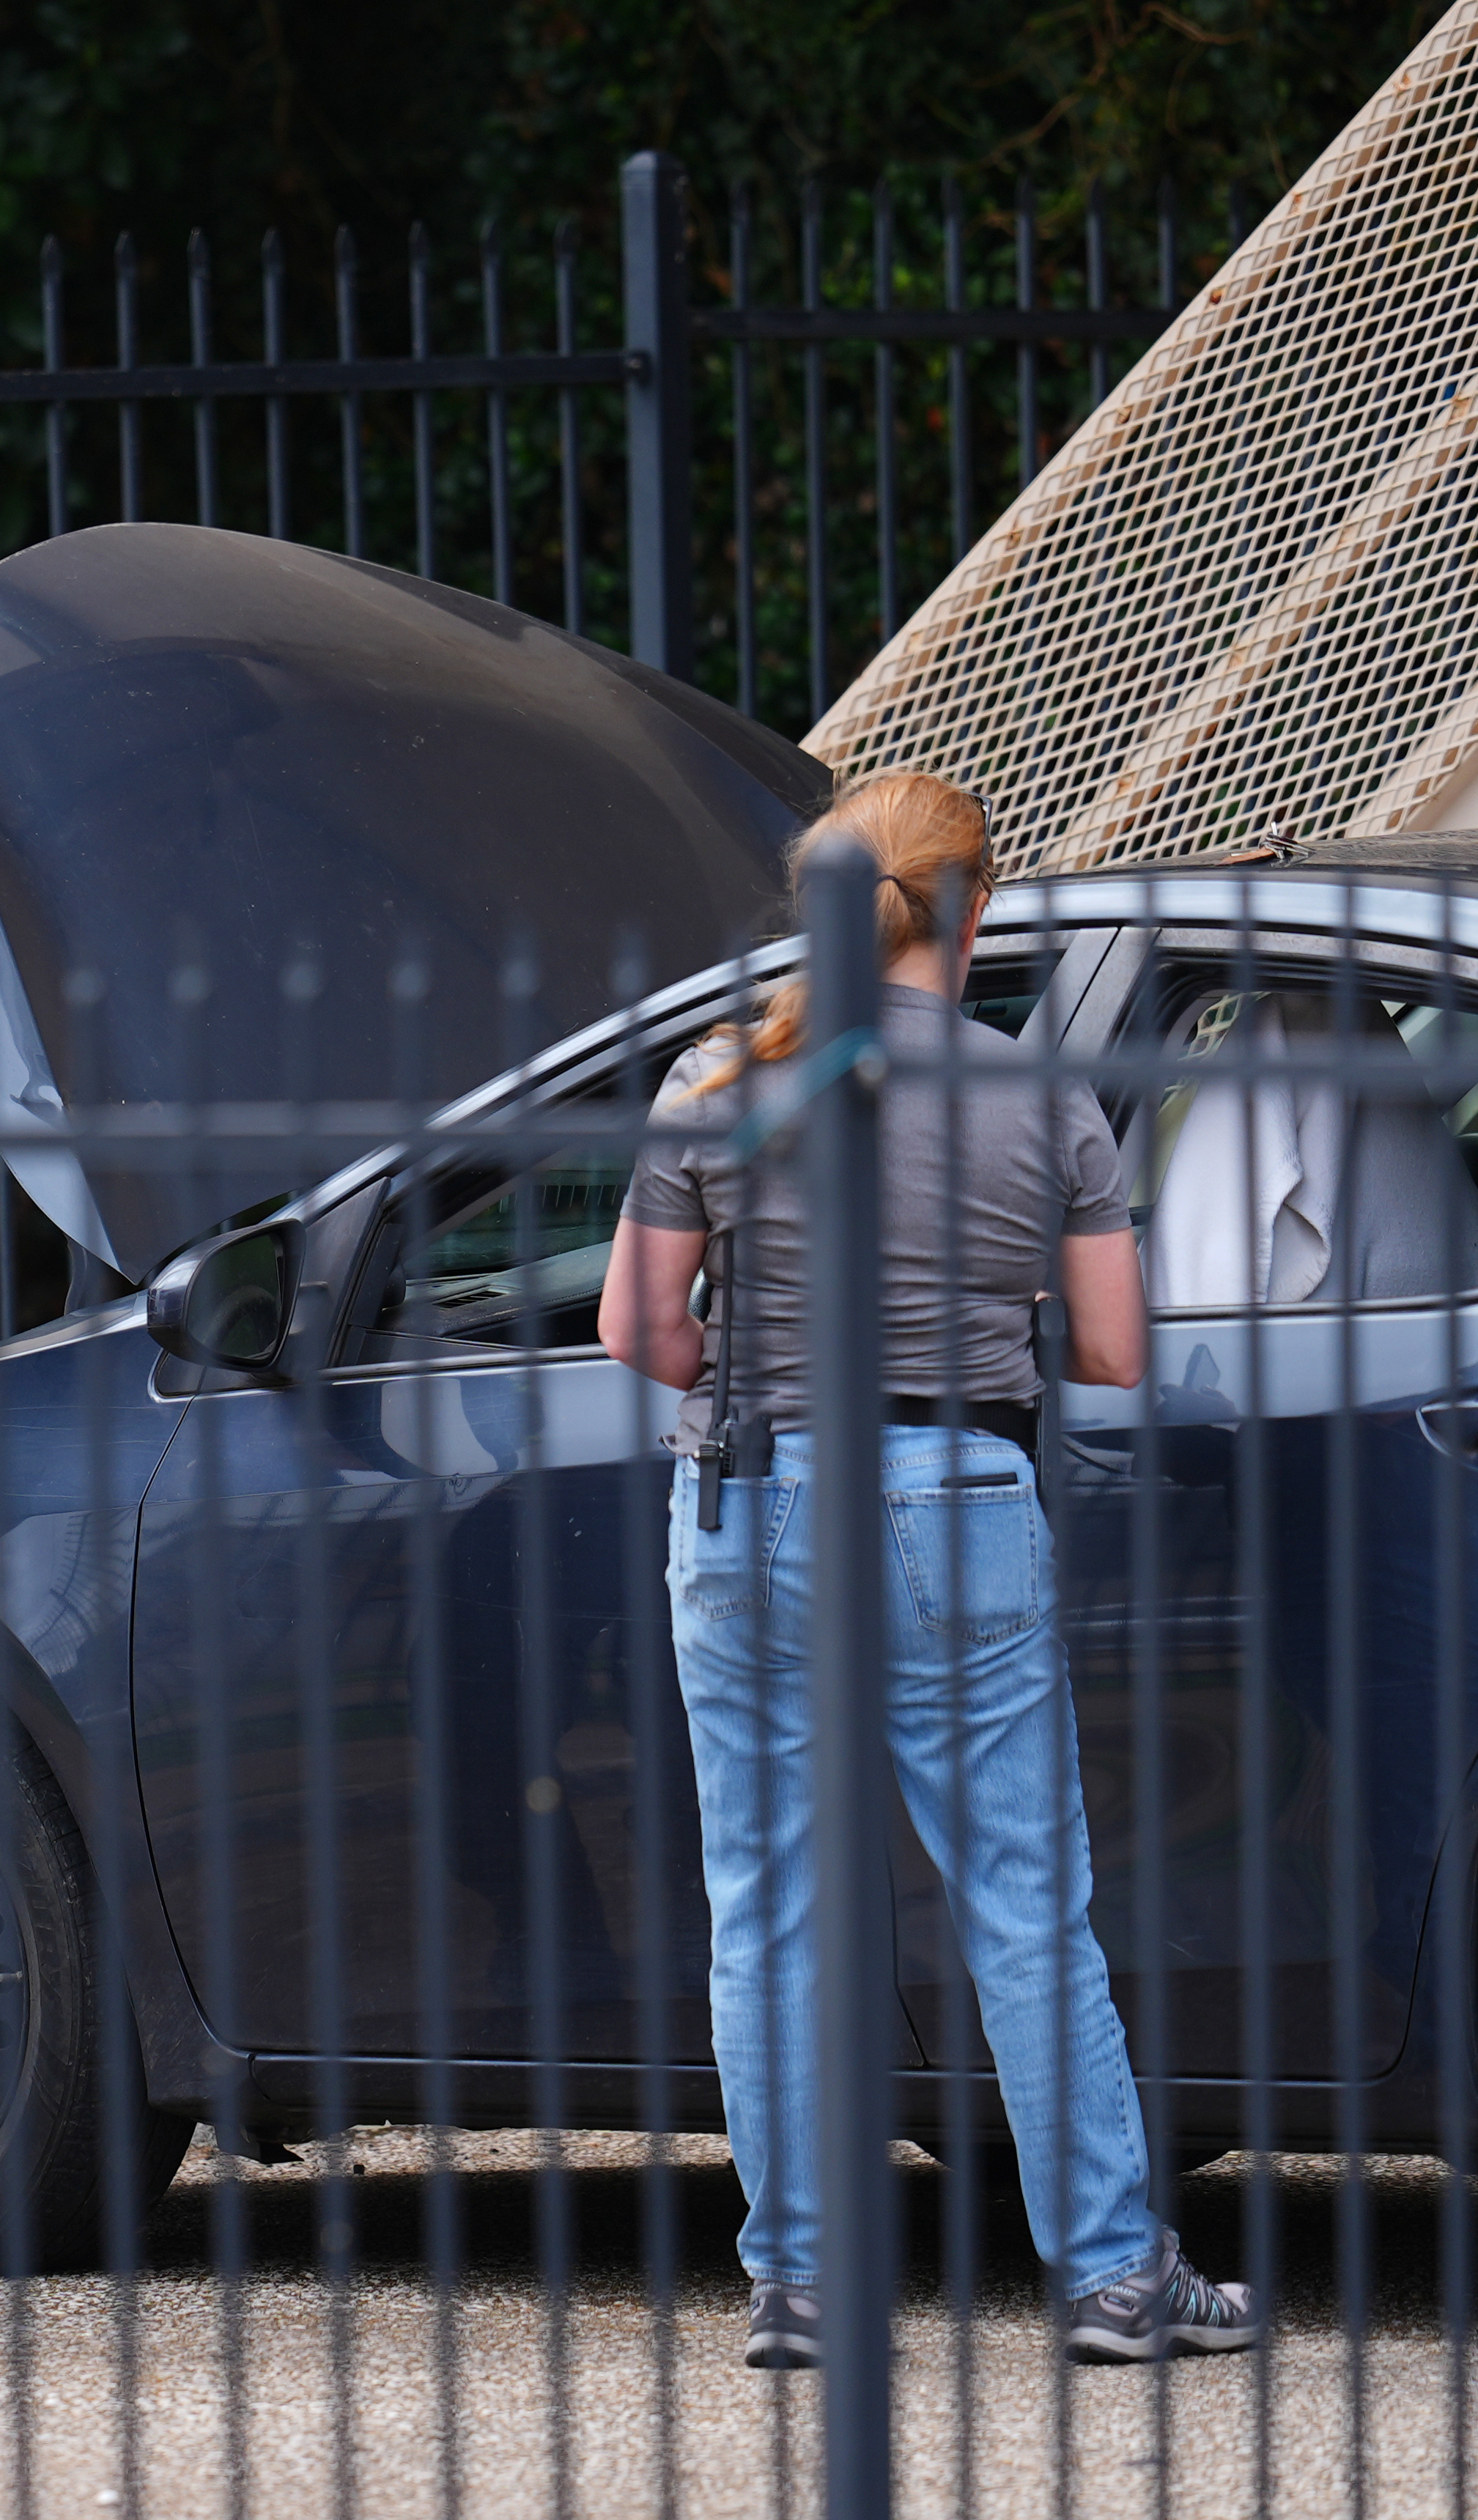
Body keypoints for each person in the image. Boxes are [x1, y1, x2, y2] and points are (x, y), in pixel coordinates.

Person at [595, 769, 1260, 2370]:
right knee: (1024, 1909)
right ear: (969, 917)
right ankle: (1113, 2276)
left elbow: (637, 1329)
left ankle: (801, 2288)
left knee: (766, 1912)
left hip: (748, 1501)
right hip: (957, 1497)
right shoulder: (1038, 1095)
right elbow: (1113, 1351)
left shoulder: (716, 1078)